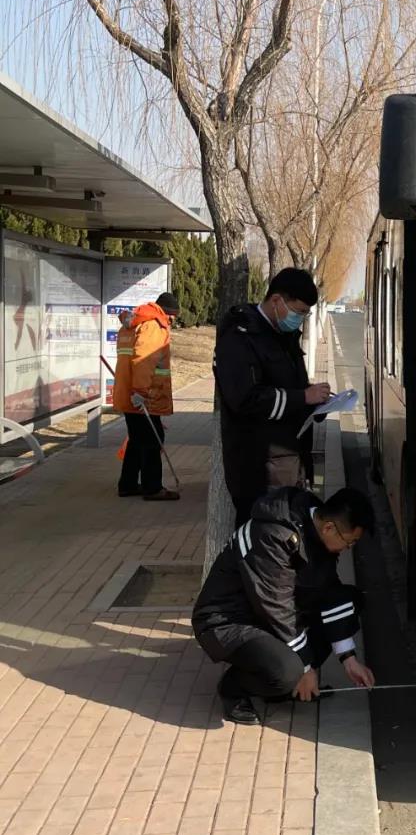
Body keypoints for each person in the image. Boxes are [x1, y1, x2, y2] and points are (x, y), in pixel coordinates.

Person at [191, 485, 376, 724]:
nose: (347, 549)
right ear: (329, 527)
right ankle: (234, 688)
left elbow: (328, 592)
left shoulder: (315, 528)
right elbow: (275, 608)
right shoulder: (272, 535)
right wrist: (306, 667)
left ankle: (283, 687)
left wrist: (349, 659)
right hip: (227, 620)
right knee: (288, 671)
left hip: (265, 613)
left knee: (348, 601)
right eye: (348, 543)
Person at [213, 267, 333, 526]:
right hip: (258, 470)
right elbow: (244, 399)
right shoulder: (240, 337)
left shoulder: (283, 336)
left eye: (306, 314)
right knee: (264, 540)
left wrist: (317, 403)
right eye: (299, 312)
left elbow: (291, 386)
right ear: (277, 300)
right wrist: (303, 398)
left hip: (288, 464)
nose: (300, 319)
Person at [113, 290, 180, 501]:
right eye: (172, 318)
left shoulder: (131, 325)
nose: (171, 322)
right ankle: (152, 488)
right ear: (167, 313)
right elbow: (144, 360)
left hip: (128, 392)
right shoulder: (153, 325)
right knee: (152, 439)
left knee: (136, 439)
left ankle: (128, 484)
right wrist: (141, 392)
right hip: (144, 396)